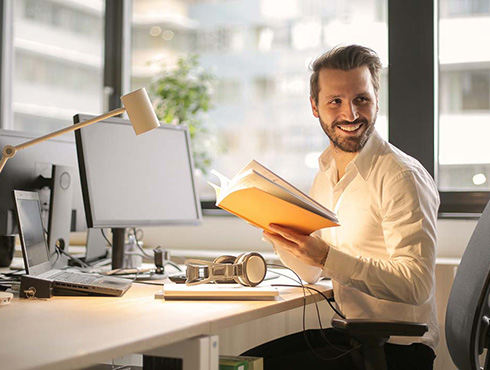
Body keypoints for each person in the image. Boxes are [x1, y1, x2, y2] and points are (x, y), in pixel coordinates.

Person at [242, 45, 439, 369]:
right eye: (335, 101)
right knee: (245, 362)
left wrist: (324, 255)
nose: (350, 114)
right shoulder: (326, 173)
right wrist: (281, 235)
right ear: (314, 107)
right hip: (353, 337)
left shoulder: (401, 176)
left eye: (361, 99)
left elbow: (416, 285)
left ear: (376, 98)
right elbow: (310, 272)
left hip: (399, 350)